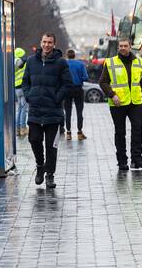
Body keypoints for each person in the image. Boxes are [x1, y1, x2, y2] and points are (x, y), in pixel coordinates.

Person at [21, 32, 72, 189]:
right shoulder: (31, 61)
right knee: (34, 140)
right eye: (44, 42)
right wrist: (29, 96)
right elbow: (25, 82)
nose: (47, 45)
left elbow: (67, 84)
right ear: (41, 42)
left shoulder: (61, 62)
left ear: (54, 44)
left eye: (50, 42)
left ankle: (50, 174)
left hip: (53, 112)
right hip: (35, 110)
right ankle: (40, 165)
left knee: (52, 146)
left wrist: (57, 99)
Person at [98, 38, 142, 171]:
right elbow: (102, 82)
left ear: (130, 47)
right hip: (118, 104)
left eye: (125, 46)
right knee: (120, 133)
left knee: (137, 130)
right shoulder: (110, 62)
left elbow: (141, 83)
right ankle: (122, 161)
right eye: (120, 46)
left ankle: (137, 160)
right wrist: (112, 95)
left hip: (136, 102)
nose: (123, 48)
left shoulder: (139, 61)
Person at [62, 48, 89, 140]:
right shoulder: (80, 64)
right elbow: (85, 77)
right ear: (74, 56)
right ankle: (79, 132)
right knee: (79, 111)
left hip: (67, 89)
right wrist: (79, 79)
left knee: (68, 111)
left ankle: (68, 133)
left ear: (66, 56)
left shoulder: (63, 64)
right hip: (78, 89)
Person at [14, 47, 29, 137]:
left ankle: (17, 129)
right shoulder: (22, 62)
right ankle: (23, 128)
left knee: (19, 108)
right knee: (24, 109)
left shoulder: (13, 61)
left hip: (16, 88)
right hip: (23, 87)